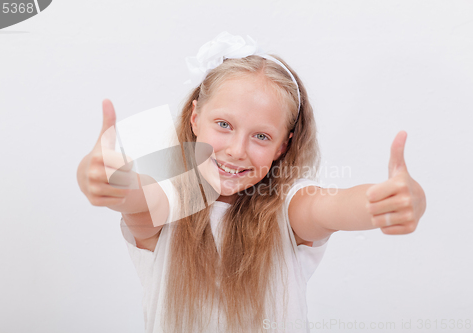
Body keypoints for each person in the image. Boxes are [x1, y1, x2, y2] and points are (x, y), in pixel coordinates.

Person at [76, 32, 427, 333]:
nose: (237, 151)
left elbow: (331, 207)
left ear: (283, 146)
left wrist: (389, 201)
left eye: (260, 136)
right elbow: (135, 194)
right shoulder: (169, 198)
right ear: (196, 118)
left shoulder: (288, 205)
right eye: (224, 125)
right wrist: (102, 177)